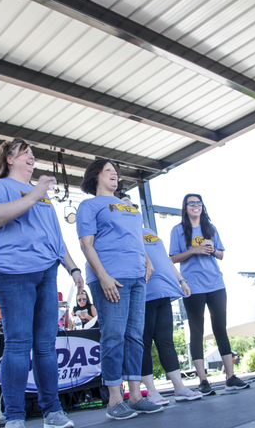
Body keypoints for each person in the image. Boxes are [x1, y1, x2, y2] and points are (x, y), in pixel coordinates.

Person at [0, 138, 85, 428]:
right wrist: (35, 193)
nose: (30, 157)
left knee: (45, 346)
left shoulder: (45, 197)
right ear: (9, 159)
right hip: (12, 272)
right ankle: (14, 415)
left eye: (32, 153)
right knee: (17, 345)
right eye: (23, 153)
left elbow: (54, 237)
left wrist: (73, 267)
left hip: (46, 272)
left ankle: (52, 411)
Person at [76, 159, 162, 421]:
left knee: (136, 336)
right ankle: (114, 400)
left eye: (116, 171)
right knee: (114, 335)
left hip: (137, 276)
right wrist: (103, 277)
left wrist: (148, 263)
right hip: (111, 276)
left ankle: (135, 397)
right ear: (96, 176)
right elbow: (86, 244)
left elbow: (138, 239)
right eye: (108, 171)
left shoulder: (130, 206)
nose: (114, 174)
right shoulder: (88, 205)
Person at [169, 194, 249, 394]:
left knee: (221, 329)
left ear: (202, 207)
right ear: (185, 208)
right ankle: (203, 380)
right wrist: (194, 250)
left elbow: (221, 254)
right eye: (191, 203)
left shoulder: (210, 228)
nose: (196, 206)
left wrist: (212, 251)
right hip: (193, 286)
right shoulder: (177, 230)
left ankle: (230, 376)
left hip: (215, 284)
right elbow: (172, 258)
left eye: (199, 203)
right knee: (196, 332)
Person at [141, 226, 203, 405]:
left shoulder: (150, 232)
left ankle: (179, 387)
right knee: (144, 343)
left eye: (133, 205)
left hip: (164, 291)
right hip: (144, 291)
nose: (131, 208)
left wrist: (181, 280)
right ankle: (151, 392)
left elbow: (166, 260)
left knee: (166, 341)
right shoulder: (125, 230)